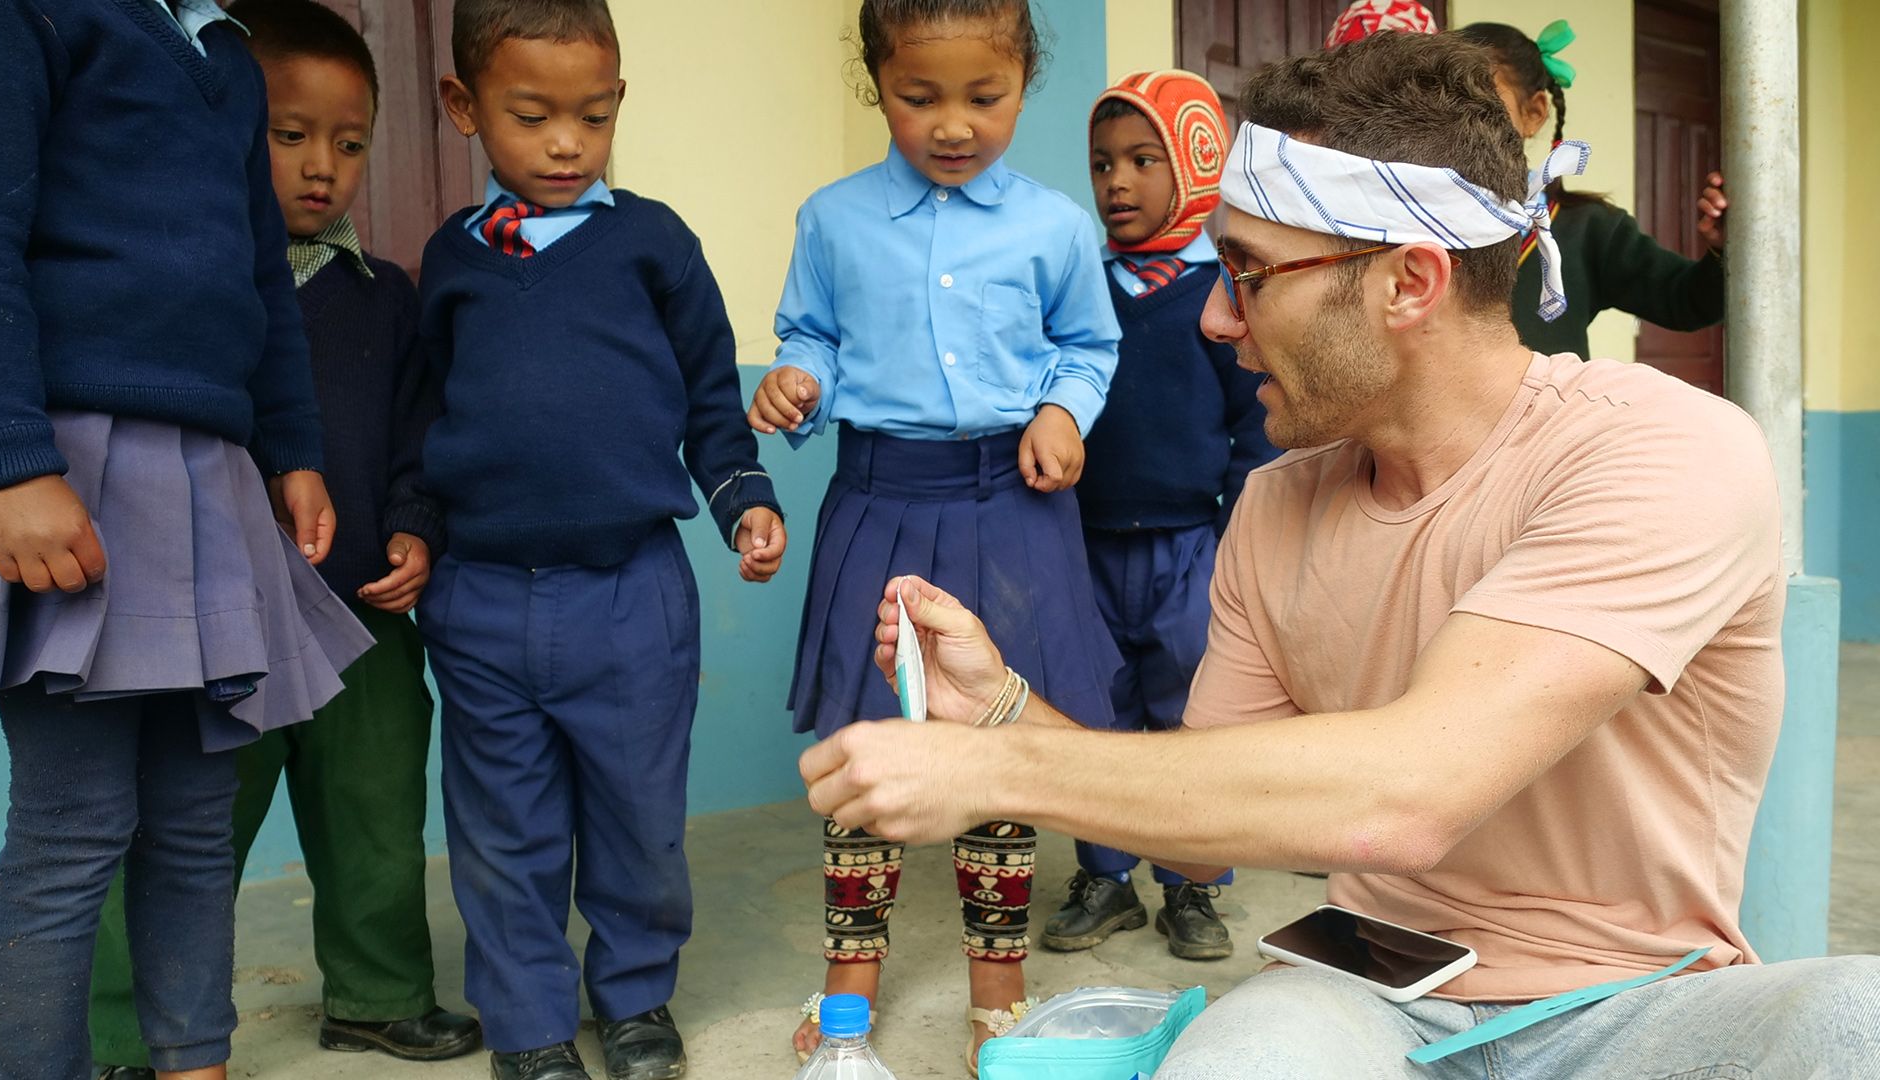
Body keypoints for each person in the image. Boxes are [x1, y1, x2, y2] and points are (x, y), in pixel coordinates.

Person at [798, 31, 1880, 1079]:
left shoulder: (1661, 448)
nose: (1217, 320)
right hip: (1369, 996)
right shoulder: (1275, 506)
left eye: (1252, 273)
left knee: (1857, 1016)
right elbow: (1196, 833)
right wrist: (1003, 710)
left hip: (1637, 1005)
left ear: (1407, 282)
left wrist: (997, 768)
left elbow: (1414, 792)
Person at [0, 0, 377, 1077]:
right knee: (74, 825)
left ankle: (198, 1065)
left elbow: (260, 281)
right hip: (69, 473)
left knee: (195, 818)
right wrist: (9, 458)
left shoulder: (226, 57)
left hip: (215, 479)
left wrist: (292, 449)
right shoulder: (22, 16)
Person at [82, 3, 480, 1075]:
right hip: (221, 619)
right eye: (289, 134)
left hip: (362, 618)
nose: (323, 167)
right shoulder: (196, 292)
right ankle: (126, 1027)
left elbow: (418, 436)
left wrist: (415, 530)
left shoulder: (384, 297)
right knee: (178, 830)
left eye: (350, 144)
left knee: (377, 813)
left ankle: (378, 994)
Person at [747, 0, 1120, 1070]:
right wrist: (796, 383)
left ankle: (998, 1002)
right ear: (878, 82)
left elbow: (1086, 346)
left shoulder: (1053, 224)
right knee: (868, 750)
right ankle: (849, 997)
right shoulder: (834, 217)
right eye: (920, 97)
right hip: (880, 501)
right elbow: (810, 333)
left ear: (1021, 84)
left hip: (1012, 507)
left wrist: (1062, 412)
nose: (953, 123)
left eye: (983, 96)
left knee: (997, 753)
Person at [418, 2, 788, 1077]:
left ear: (619, 104)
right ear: (464, 107)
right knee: (503, 836)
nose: (567, 143)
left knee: (638, 823)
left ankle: (633, 1001)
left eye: (592, 116)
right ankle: (529, 1030)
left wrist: (743, 499)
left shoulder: (654, 244)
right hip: (480, 597)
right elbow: (421, 415)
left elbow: (713, 401)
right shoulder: (451, 260)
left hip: (631, 593)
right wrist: (412, 531)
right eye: (531, 117)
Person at [1045, 69, 1276, 963]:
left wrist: (1233, 548)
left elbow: (1254, 437)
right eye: (1102, 163)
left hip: (1189, 551)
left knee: (1192, 715)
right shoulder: (1077, 292)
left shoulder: (1220, 297)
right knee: (1093, 714)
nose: (1117, 182)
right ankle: (1105, 877)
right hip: (1080, 545)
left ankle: (1192, 885)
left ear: (1196, 164)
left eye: (1145, 159)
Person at [1456, 20, 1728, 358]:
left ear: (1534, 113)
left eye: (1484, 103)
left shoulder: (1588, 229)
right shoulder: (1410, 218)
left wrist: (1723, 250)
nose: (1459, 120)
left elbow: (1687, 301)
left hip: (1551, 412)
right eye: (1444, 104)